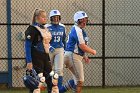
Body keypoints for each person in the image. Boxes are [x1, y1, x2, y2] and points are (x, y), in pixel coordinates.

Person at [60, 11, 96, 93]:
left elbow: (77, 46)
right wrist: (92, 51)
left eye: (85, 19)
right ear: (77, 20)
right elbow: (81, 46)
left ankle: (58, 91)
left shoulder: (80, 30)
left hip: (72, 56)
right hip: (73, 56)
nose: (84, 21)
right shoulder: (77, 29)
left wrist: (85, 56)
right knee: (80, 81)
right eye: (81, 20)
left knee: (76, 80)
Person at [24, 9, 53, 93]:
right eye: (43, 17)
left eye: (45, 17)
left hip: (45, 57)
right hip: (36, 58)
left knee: (51, 80)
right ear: (37, 17)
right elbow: (27, 46)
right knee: (37, 83)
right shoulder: (32, 29)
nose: (45, 18)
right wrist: (29, 62)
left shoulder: (44, 28)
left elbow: (46, 45)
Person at [45, 10, 66, 92]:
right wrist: (49, 46)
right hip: (49, 49)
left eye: (57, 17)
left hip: (59, 49)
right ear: (51, 18)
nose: (56, 19)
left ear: (59, 18)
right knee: (49, 70)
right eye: (54, 17)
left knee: (59, 70)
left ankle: (58, 89)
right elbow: (44, 39)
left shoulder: (63, 27)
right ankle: (50, 88)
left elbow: (64, 39)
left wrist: (65, 50)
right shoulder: (47, 27)